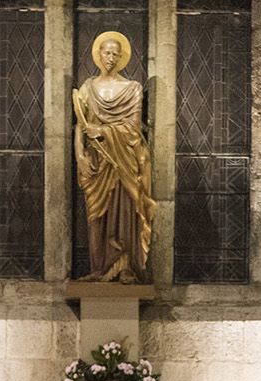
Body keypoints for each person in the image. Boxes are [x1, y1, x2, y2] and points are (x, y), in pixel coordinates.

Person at [72, 30, 154, 283]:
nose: (110, 57)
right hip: (96, 161)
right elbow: (79, 125)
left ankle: (125, 266)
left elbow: (133, 128)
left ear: (121, 58)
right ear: (98, 54)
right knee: (96, 215)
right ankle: (98, 269)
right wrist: (79, 155)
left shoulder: (132, 89)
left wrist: (103, 130)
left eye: (115, 54)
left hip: (123, 160)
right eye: (106, 52)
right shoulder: (87, 88)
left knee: (125, 210)